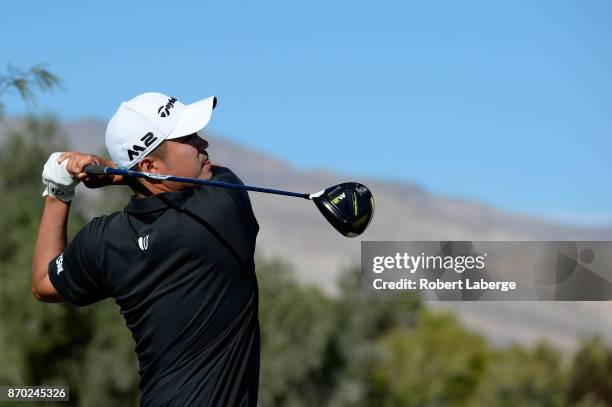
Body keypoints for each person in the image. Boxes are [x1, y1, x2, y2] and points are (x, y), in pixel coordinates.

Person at [31, 92, 260, 406]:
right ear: (151, 165)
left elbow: (44, 282)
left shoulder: (105, 240)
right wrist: (115, 172)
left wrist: (58, 191)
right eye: (188, 138)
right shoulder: (221, 209)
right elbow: (217, 173)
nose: (203, 144)